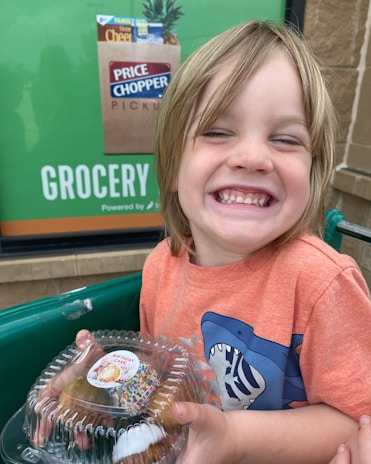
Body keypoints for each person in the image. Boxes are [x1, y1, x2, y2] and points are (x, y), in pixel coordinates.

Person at [138, 20, 371, 463]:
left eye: (285, 139)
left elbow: (356, 419)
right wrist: (106, 379)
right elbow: (159, 380)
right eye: (217, 132)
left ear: (312, 173)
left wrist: (236, 436)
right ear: (171, 168)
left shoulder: (323, 282)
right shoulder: (160, 267)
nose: (251, 158)